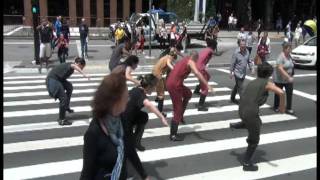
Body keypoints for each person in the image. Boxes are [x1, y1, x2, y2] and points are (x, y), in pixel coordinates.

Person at [80, 72, 150, 180]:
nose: (128, 100)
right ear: (115, 101)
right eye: (126, 97)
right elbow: (87, 173)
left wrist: (144, 175)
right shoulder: (93, 133)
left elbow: (129, 148)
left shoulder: (121, 118)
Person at [230, 62, 285, 171]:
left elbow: (242, 93)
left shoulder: (252, 82)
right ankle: (246, 163)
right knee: (254, 139)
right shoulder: (266, 83)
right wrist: (282, 108)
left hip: (241, 110)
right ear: (269, 74)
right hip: (250, 113)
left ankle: (242, 124)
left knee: (258, 123)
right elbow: (281, 93)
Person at [166, 51, 213, 141]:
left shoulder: (185, 60)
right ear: (195, 58)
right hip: (174, 86)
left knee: (188, 94)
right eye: (196, 60)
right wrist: (207, 84)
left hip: (174, 83)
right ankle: (173, 135)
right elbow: (197, 73)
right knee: (177, 109)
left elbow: (180, 71)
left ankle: (181, 116)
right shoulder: (191, 62)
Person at [121, 74, 169, 152]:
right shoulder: (141, 95)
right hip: (124, 121)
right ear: (149, 86)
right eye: (154, 87)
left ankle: (136, 141)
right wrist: (162, 118)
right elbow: (149, 105)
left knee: (143, 116)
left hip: (125, 115)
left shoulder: (137, 89)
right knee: (127, 146)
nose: (154, 89)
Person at [46, 57, 90, 125]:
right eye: (82, 66)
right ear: (78, 64)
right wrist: (84, 75)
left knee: (69, 87)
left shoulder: (70, 66)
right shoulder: (72, 65)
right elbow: (74, 66)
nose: (82, 68)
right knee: (63, 98)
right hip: (53, 79)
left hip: (59, 79)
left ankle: (66, 106)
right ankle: (62, 120)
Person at [193, 40, 217, 111]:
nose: (216, 47)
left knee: (208, 76)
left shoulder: (206, 49)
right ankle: (200, 106)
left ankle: (197, 89)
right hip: (200, 69)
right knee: (205, 88)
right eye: (216, 46)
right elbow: (217, 54)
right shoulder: (210, 50)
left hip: (197, 67)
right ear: (213, 46)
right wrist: (223, 52)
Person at [152, 50, 178, 116]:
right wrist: (175, 71)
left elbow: (171, 65)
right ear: (172, 57)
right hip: (158, 75)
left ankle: (157, 99)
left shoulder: (166, 57)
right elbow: (169, 64)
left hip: (155, 73)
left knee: (162, 87)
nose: (173, 61)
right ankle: (159, 112)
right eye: (173, 60)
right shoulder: (169, 58)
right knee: (162, 94)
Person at [272, 42, 295, 115]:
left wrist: (292, 75)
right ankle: (276, 106)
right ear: (284, 49)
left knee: (289, 93)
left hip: (288, 80)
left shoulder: (289, 56)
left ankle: (289, 108)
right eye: (288, 49)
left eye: (290, 48)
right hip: (279, 79)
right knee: (278, 93)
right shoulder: (280, 57)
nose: (290, 50)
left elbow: (291, 66)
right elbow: (280, 68)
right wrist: (288, 77)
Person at [230, 40, 254, 104]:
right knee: (241, 87)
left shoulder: (247, 52)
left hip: (243, 73)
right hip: (237, 72)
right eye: (242, 44)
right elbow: (233, 63)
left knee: (237, 86)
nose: (243, 46)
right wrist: (231, 72)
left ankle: (232, 98)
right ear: (239, 45)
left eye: (244, 44)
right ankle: (243, 102)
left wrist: (252, 68)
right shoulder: (236, 53)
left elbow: (249, 61)